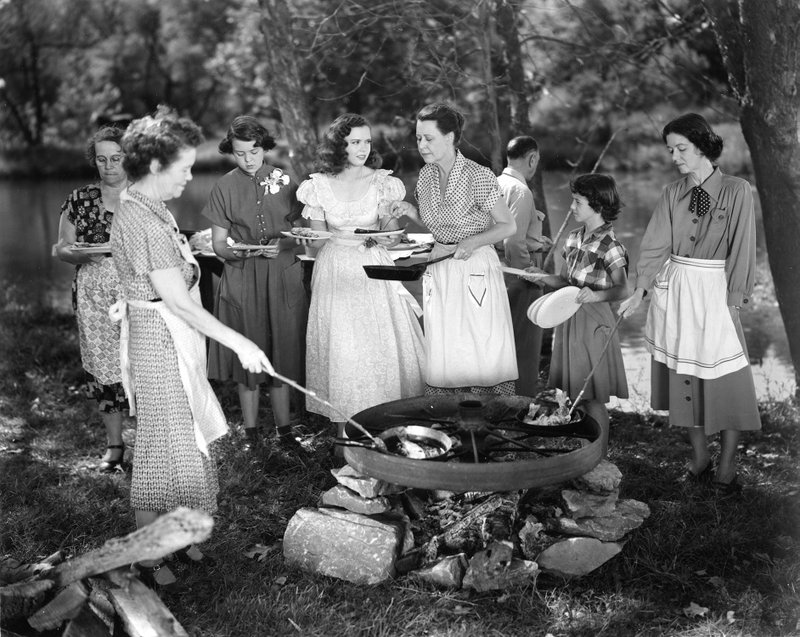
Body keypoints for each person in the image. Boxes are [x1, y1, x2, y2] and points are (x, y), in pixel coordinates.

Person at [110, 106, 272, 587]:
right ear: (157, 166)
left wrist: (188, 248)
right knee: (164, 450)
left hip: (166, 337)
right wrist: (240, 342)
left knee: (186, 445)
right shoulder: (144, 221)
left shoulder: (145, 205)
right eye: (182, 169)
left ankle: (178, 535)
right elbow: (179, 305)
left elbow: (163, 270)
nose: (188, 177)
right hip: (161, 343)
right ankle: (149, 556)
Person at [619, 113, 760, 493]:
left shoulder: (737, 191)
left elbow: (744, 250)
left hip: (716, 293)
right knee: (685, 380)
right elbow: (654, 245)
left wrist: (734, 301)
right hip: (678, 291)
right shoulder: (671, 194)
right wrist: (640, 290)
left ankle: (727, 466)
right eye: (670, 150)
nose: (675, 156)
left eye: (681, 148)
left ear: (702, 146)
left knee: (728, 381)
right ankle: (699, 459)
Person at [294, 113, 425, 438]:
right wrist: (305, 237)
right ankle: (343, 434)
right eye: (355, 142)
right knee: (343, 347)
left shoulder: (382, 182)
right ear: (338, 145)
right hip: (336, 267)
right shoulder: (318, 186)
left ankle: (388, 428)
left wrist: (388, 228)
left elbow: (391, 236)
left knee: (378, 343)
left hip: (373, 266)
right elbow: (317, 243)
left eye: (367, 141)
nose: (363, 148)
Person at [392, 102, 518, 394]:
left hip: (474, 267)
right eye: (419, 138)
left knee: (480, 344)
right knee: (446, 345)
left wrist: (473, 241)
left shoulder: (479, 175)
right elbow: (439, 225)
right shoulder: (426, 176)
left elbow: (507, 226)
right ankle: (450, 419)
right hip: (441, 265)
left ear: (449, 138)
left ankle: (492, 417)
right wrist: (411, 211)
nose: (422, 145)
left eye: (429, 138)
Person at [202, 116, 308, 449]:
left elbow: (304, 232)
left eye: (254, 151)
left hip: (281, 275)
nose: (248, 159)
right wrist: (237, 252)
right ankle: (251, 434)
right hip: (242, 276)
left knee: (282, 353)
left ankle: (285, 431)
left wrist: (286, 243)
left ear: (264, 147)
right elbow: (218, 244)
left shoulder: (287, 180)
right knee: (247, 354)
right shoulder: (224, 186)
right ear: (230, 152)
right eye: (240, 153)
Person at [523, 174, 629, 440]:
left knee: (592, 396)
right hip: (568, 318)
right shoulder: (572, 238)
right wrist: (539, 276)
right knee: (571, 393)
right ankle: (585, 449)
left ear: (598, 205)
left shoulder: (611, 246)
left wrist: (595, 296)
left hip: (594, 322)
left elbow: (622, 289)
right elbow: (563, 281)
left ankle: (599, 454)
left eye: (578, 202)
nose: (571, 208)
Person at [54, 126, 132, 472]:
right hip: (93, 291)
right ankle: (115, 446)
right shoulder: (79, 199)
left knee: (143, 364)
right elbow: (61, 248)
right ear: (94, 161)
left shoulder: (145, 197)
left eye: (116, 158)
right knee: (104, 369)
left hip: (138, 290)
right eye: (102, 159)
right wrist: (80, 255)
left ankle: (151, 443)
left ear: (129, 157)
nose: (109, 165)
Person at [496, 135, 552, 396]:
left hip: (499, 273)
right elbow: (513, 242)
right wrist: (535, 277)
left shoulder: (497, 183)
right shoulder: (521, 191)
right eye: (536, 161)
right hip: (520, 278)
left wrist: (537, 241)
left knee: (504, 344)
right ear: (532, 158)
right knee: (524, 348)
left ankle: (503, 400)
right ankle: (521, 404)